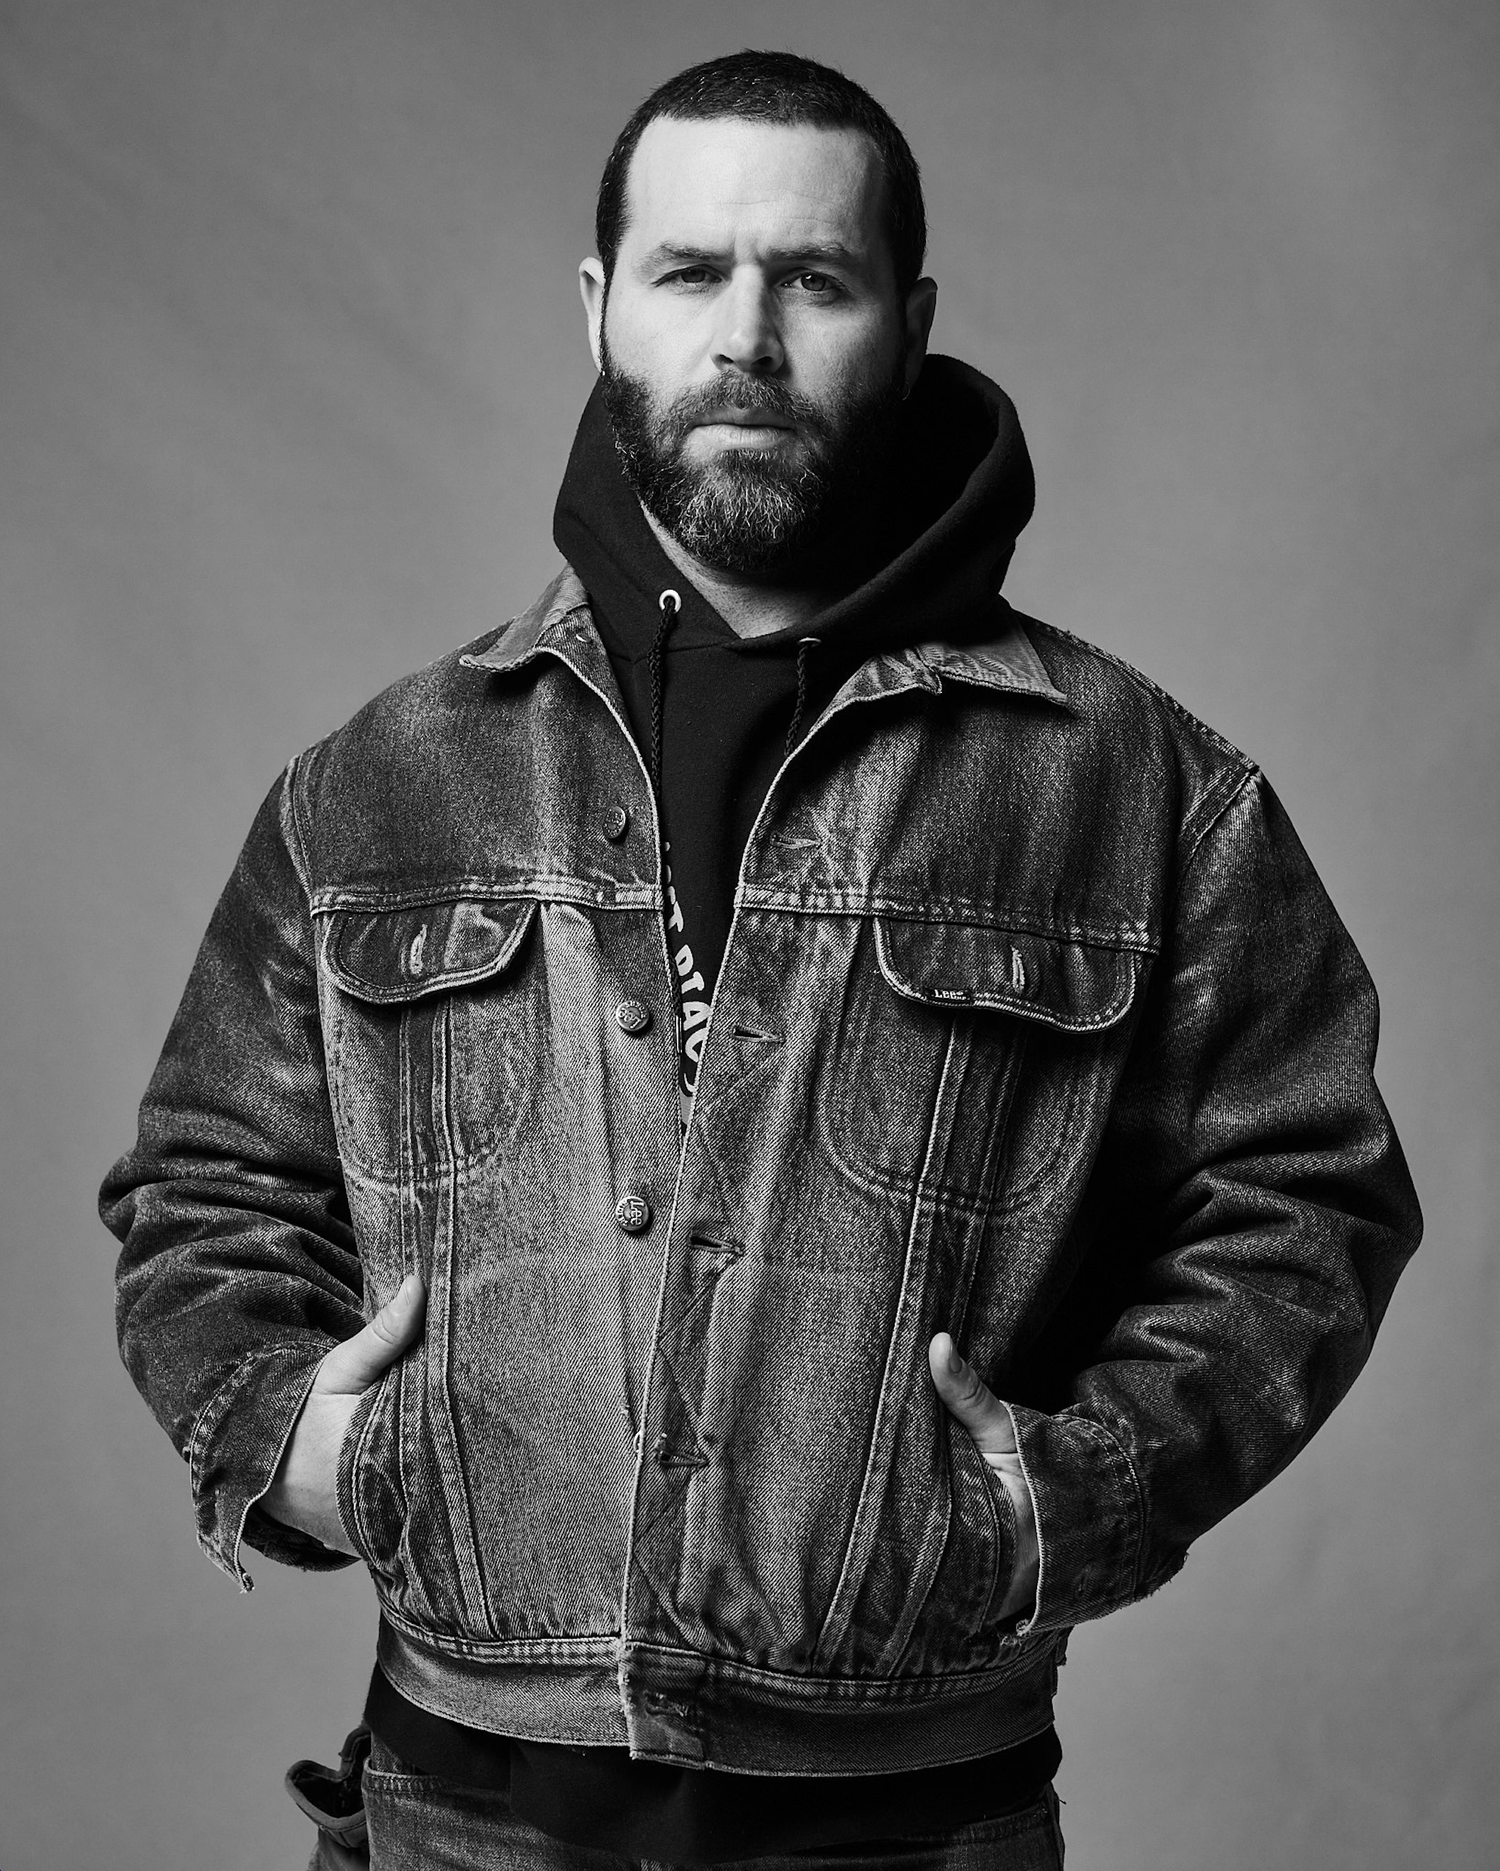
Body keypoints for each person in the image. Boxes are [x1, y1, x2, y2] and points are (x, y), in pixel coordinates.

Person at [100, 49, 1422, 1871]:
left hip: (915, 1822)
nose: (746, 334)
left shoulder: (1134, 784)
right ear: (600, 311)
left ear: (908, 318)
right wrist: (286, 1437)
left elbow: (1307, 1187)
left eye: (813, 277)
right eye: (689, 272)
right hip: (454, 1816)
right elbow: (202, 1188)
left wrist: (1075, 1490)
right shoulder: (386, 783)